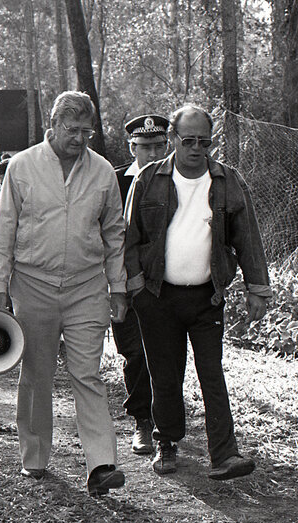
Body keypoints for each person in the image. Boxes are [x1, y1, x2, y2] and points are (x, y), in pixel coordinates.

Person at [0, 91, 127, 497]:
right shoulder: (22, 166)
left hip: (86, 287)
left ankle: (102, 463)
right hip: (33, 285)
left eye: (88, 131)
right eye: (73, 130)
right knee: (37, 373)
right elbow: (5, 231)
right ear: (53, 126)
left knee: (87, 373)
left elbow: (114, 234)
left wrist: (117, 286)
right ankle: (34, 456)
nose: (81, 139)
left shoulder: (102, 172)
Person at [123, 104, 272, 480]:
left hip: (207, 297)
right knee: (165, 373)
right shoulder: (149, 179)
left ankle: (224, 454)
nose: (195, 149)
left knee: (211, 372)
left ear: (211, 143)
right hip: (157, 296)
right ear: (173, 139)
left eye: (203, 142)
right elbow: (129, 237)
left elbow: (248, 237)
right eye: (188, 140)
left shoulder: (226, 181)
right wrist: (135, 285)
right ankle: (167, 443)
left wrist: (258, 288)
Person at [113, 114, 170, 456]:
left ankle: (166, 423)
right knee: (134, 351)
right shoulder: (116, 181)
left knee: (165, 353)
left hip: (166, 283)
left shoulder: (177, 179)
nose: (153, 153)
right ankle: (142, 422)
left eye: (159, 146)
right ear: (131, 147)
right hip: (125, 282)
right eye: (145, 147)